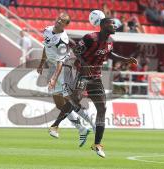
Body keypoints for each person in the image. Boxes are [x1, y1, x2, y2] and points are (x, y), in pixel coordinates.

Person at [49, 17, 137, 158]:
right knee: (75, 100)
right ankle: (55, 125)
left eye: (115, 23)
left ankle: (97, 144)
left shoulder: (109, 42)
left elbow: (109, 53)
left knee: (102, 108)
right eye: (112, 23)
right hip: (82, 74)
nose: (115, 26)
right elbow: (77, 51)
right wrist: (84, 64)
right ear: (103, 25)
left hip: (96, 78)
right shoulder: (90, 37)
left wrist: (125, 59)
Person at [37, 12, 95, 147]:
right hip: (52, 68)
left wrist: (53, 78)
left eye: (62, 20)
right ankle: (82, 129)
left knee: (69, 101)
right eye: (59, 18)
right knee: (60, 104)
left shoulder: (62, 40)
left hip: (63, 70)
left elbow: (60, 62)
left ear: (65, 25)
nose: (58, 21)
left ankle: (92, 124)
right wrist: (41, 63)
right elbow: (46, 48)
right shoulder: (47, 30)